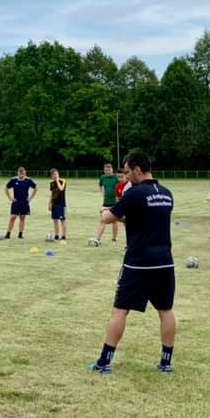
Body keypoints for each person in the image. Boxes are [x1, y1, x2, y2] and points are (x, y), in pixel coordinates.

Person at [88, 150, 177, 375]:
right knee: (166, 310)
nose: (126, 176)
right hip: (165, 261)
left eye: (128, 172)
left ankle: (104, 362)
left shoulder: (134, 193)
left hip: (139, 262)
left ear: (137, 170)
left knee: (120, 310)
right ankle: (166, 363)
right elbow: (145, 220)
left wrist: (106, 210)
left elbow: (107, 218)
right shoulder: (167, 194)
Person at [0, 167, 37, 240]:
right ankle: (8, 234)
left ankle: (20, 234)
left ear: (25, 173)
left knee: (22, 218)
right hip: (16, 202)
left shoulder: (28, 180)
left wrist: (30, 198)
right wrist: (10, 198)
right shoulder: (13, 180)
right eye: (20, 173)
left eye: (23, 173)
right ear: (18, 173)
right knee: (13, 217)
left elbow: (36, 188)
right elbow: (6, 188)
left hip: (24, 202)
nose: (21, 175)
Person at [92, 163, 120, 246]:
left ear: (112, 169)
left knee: (115, 221)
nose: (107, 172)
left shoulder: (116, 177)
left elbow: (120, 186)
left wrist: (118, 197)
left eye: (109, 170)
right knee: (103, 220)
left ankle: (114, 240)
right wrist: (102, 193)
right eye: (106, 170)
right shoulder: (102, 177)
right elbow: (100, 185)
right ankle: (98, 239)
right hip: (106, 202)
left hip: (115, 203)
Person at [48, 169, 68, 243]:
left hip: (61, 204)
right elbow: (52, 194)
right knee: (55, 220)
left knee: (62, 220)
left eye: (56, 174)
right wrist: (49, 203)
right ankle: (56, 235)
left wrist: (57, 181)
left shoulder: (63, 181)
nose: (55, 176)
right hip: (54, 204)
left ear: (58, 174)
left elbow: (61, 189)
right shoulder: (51, 183)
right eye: (53, 174)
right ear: (51, 176)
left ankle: (63, 236)